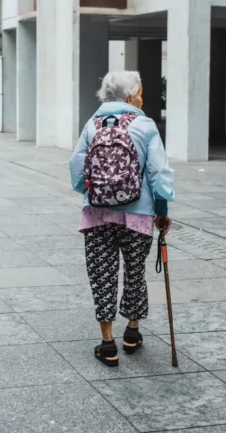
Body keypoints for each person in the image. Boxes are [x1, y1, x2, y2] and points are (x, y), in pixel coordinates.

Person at [69, 70, 175, 367]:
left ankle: (107, 344)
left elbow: (77, 169)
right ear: (130, 96)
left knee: (102, 276)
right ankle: (131, 333)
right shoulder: (145, 125)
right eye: (140, 91)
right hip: (138, 215)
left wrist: (92, 193)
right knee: (134, 272)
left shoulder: (92, 124)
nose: (142, 96)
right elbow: (158, 173)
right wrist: (162, 210)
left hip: (97, 215)